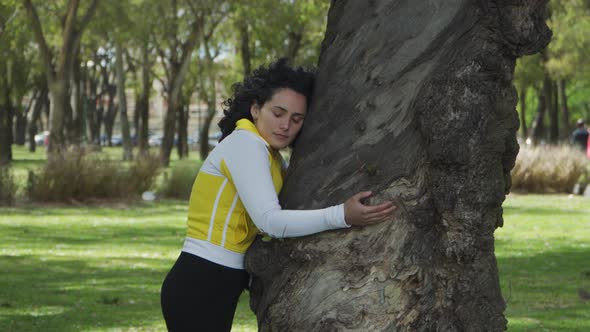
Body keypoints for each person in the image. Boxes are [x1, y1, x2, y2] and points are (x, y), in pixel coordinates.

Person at [160, 59, 396, 332]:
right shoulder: (245, 144)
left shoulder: (269, 155)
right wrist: (342, 215)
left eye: (296, 119)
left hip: (215, 282)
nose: (285, 125)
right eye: (278, 113)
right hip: (199, 281)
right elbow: (270, 221)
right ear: (256, 109)